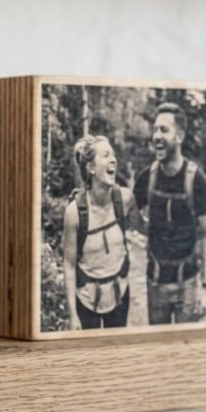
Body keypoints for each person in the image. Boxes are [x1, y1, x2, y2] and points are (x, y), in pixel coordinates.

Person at [132, 102, 206, 325]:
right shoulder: (146, 178)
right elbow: (129, 213)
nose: (156, 136)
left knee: (185, 349)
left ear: (179, 137)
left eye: (164, 130)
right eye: (155, 129)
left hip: (187, 284)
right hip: (155, 283)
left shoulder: (196, 180)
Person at [63, 134, 141, 330]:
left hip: (119, 294)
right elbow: (69, 265)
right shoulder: (74, 213)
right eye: (106, 155)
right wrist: (73, 316)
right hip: (86, 298)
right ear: (90, 168)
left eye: (113, 155)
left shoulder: (125, 199)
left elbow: (144, 229)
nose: (113, 159)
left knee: (116, 351)